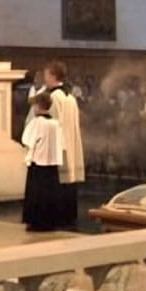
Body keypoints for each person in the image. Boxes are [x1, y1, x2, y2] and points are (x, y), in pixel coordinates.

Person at [44, 60, 84, 227]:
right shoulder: (70, 97)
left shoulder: (53, 97)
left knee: (59, 181)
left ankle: (58, 215)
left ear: (53, 75)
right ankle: (69, 214)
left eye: (46, 74)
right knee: (69, 180)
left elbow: (52, 124)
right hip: (71, 141)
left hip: (59, 145)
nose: (45, 78)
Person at [21, 91, 65, 231]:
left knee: (37, 194)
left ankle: (36, 222)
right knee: (50, 193)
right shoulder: (56, 123)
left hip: (38, 162)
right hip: (51, 163)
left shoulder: (37, 122)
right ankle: (50, 221)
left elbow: (26, 140)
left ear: (39, 106)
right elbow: (61, 143)